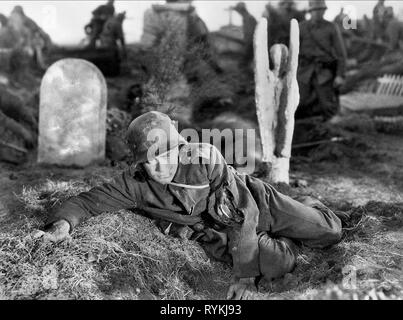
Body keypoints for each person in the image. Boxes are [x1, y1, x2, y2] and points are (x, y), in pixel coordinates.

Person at [43, 111, 346, 300]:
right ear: (139, 163)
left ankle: (304, 205)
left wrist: (243, 278)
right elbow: (86, 202)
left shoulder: (204, 158)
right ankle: (285, 241)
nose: (160, 165)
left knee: (330, 231)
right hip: (222, 232)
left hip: (256, 203)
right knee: (276, 265)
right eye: (151, 160)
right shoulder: (134, 184)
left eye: (167, 153)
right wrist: (62, 224)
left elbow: (244, 214)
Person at [296, 0, 347, 120]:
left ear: (324, 11)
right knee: (298, 103)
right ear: (310, 11)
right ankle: (301, 131)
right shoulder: (301, 27)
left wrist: (340, 75)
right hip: (304, 71)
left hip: (323, 72)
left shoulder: (331, 27)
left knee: (328, 105)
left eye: (321, 10)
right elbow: (293, 52)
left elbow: (341, 54)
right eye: (315, 10)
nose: (318, 13)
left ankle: (331, 131)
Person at [230, 2, 257, 67]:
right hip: (250, 43)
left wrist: (246, 46)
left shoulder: (248, 19)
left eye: (238, 10)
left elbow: (250, 35)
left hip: (251, 44)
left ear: (242, 10)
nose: (238, 13)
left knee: (244, 64)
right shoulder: (247, 18)